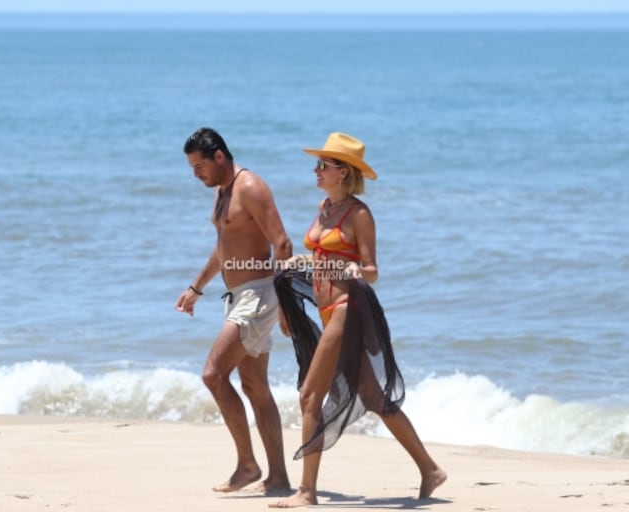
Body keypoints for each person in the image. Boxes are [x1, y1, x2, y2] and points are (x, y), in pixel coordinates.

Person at [270, 132, 447, 508]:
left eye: (324, 165)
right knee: (372, 397)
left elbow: (371, 271)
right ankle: (430, 469)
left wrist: (348, 265)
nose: (316, 170)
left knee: (310, 395)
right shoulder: (323, 207)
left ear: (344, 172)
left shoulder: (360, 215)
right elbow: (319, 255)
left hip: (346, 310)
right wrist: (300, 263)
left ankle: (307, 491)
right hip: (323, 306)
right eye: (317, 164)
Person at [175, 127, 291, 494]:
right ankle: (278, 477)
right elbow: (223, 247)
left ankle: (247, 465)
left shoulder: (250, 187)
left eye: (199, 167)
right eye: (192, 168)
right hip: (239, 295)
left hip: (258, 296)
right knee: (255, 385)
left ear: (219, 157)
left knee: (213, 374)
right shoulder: (223, 193)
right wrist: (197, 287)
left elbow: (282, 242)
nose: (196, 175)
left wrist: (286, 306)